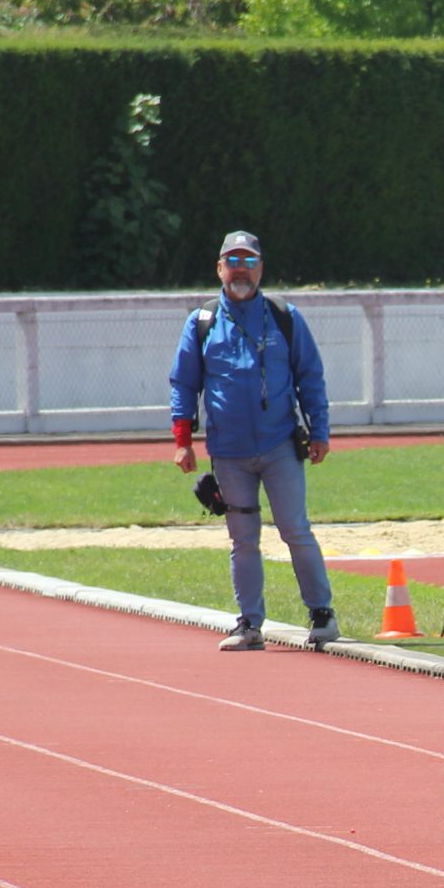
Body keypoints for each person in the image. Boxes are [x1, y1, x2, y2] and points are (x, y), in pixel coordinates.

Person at [169, 230, 337, 651]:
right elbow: (183, 384)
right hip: (228, 453)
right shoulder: (202, 322)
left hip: (280, 445)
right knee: (243, 539)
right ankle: (249, 624)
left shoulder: (285, 316)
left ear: (260, 268)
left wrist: (320, 431)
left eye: (249, 262)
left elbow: (310, 377)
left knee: (294, 529)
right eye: (233, 261)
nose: (241, 270)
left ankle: (322, 614)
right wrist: (183, 440)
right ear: (219, 268)